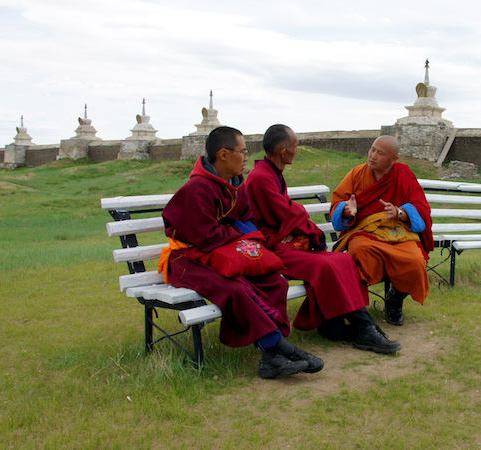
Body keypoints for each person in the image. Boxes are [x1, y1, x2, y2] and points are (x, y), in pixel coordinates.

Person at [160, 126, 323, 379]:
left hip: (223, 254)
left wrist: (236, 231)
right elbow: (205, 236)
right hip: (189, 260)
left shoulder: (236, 187)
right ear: (223, 154)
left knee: (273, 281)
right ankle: (279, 349)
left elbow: (248, 222)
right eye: (243, 151)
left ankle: (272, 358)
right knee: (236, 289)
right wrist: (238, 232)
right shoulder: (196, 189)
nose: (247, 157)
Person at [246, 124, 401, 353]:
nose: (296, 151)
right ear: (282, 150)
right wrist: (309, 229)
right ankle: (364, 329)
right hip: (273, 247)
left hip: (286, 241)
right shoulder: (260, 177)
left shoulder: (272, 173)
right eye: (295, 147)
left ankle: (334, 325)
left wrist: (301, 224)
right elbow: (287, 213)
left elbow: (289, 213)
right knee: (326, 264)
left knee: (344, 260)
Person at [330, 135, 434, 326]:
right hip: (364, 232)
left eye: (380, 153)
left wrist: (400, 213)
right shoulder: (357, 174)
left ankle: (394, 300)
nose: (373, 156)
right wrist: (346, 210)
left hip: (396, 232)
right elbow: (338, 203)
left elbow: (422, 208)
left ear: (394, 159)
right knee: (358, 254)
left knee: (415, 260)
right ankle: (355, 309)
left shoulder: (403, 174)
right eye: (372, 149)